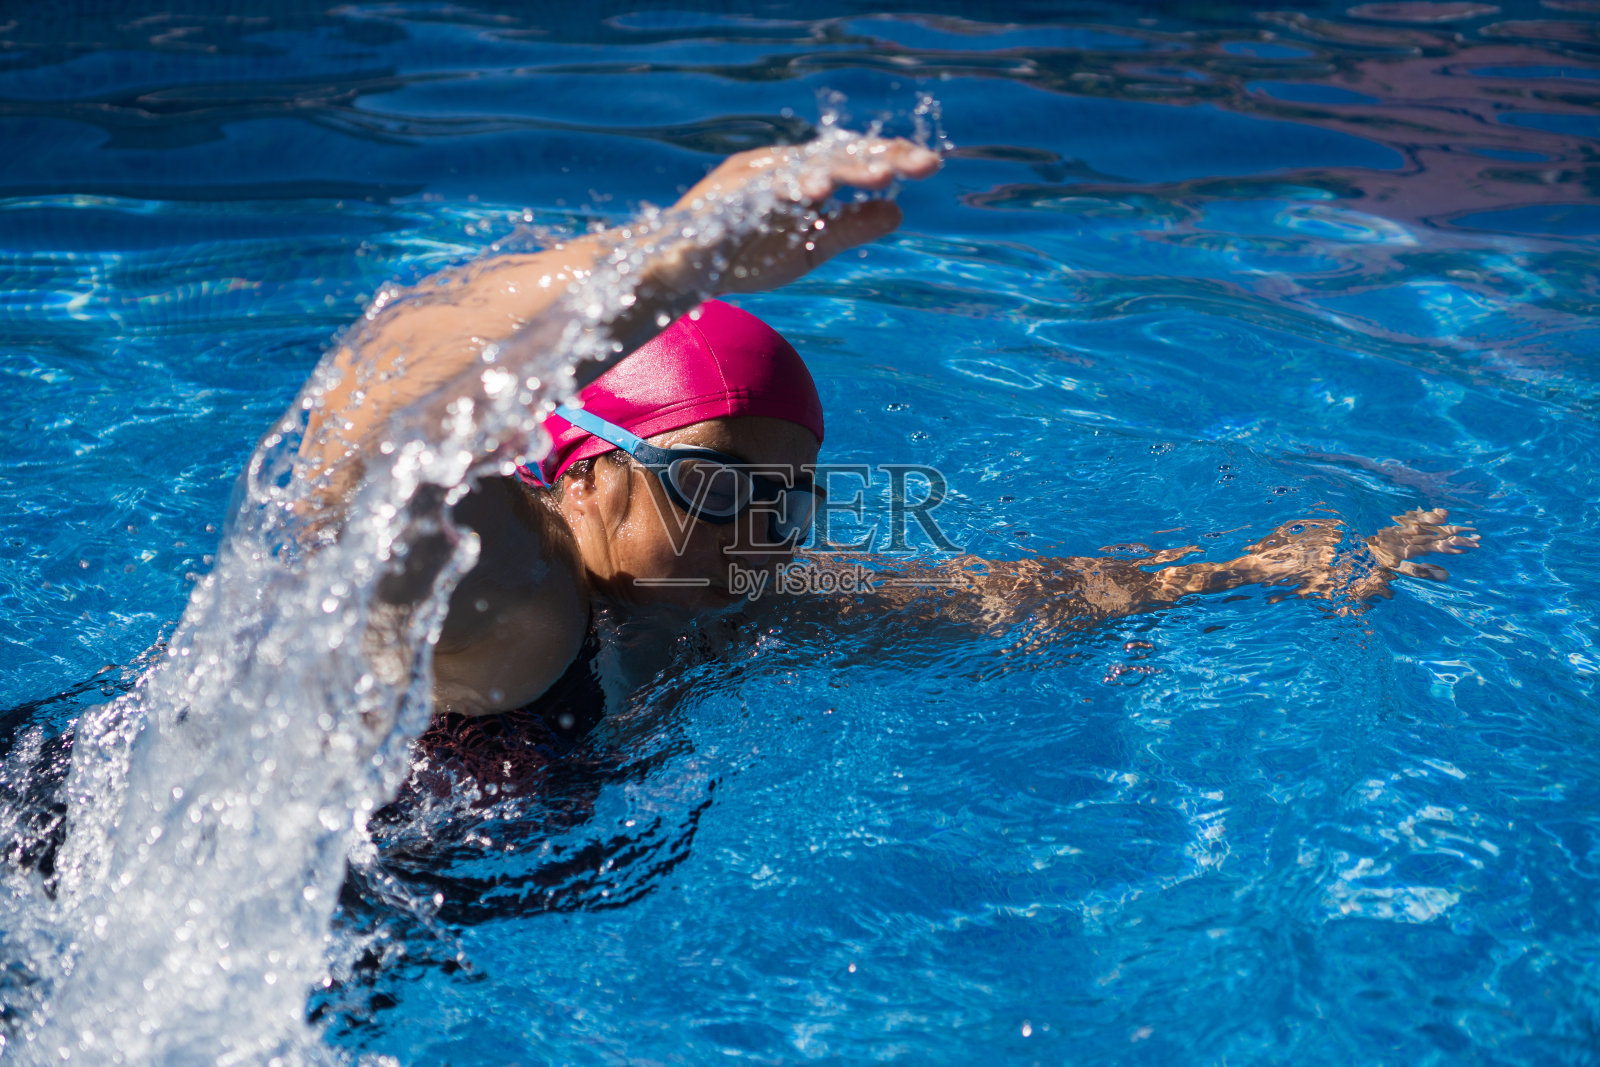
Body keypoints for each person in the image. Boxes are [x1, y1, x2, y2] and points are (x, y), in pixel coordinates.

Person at [296, 136, 1478, 736]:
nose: (759, 528)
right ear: (588, 471)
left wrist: (1248, 568)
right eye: (718, 484)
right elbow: (363, 414)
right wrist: (667, 259)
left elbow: (994, 598)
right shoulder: (511, 591)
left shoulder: (711, 609)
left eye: (787, 497)